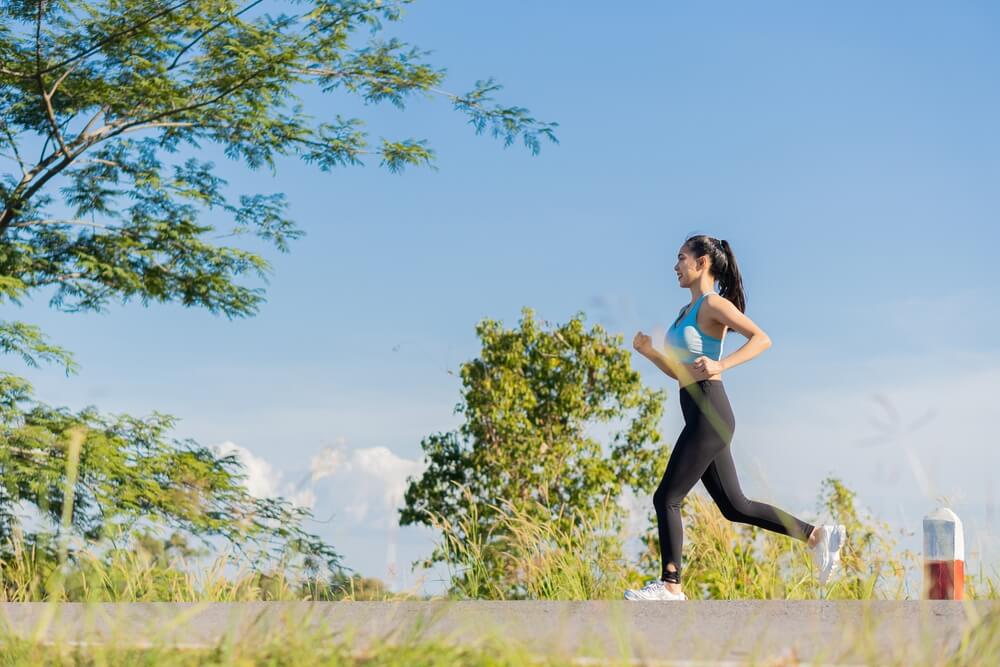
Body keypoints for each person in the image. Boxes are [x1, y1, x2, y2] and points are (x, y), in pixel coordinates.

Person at [624, 234, 845, 601]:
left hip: (710, 410)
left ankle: (670, 585)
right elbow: (680, 374)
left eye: (681, 258)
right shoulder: (684, 314)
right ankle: (817, 535)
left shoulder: (713, 304)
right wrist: (649, 352)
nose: (675, 266)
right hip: (699, 411)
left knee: (667, 497)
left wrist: (721, 363)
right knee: (734, 505)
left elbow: (761, 338)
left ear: (702, 263)